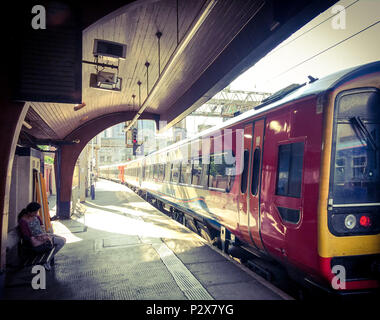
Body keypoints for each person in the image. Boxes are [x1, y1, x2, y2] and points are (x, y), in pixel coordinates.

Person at [18, 202, 66, 270]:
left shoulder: (36, 216)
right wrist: (43, 237)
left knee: (63, 239)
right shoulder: (23, 221)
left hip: (43, 236)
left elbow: (41, 226)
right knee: (61, 242)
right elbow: (28, 237)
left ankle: (48, 259)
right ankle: (47, 261)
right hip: (37, 241)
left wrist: (46, 234)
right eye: (35, 212)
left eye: (37, 211)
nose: (36, 213)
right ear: (29, 212)